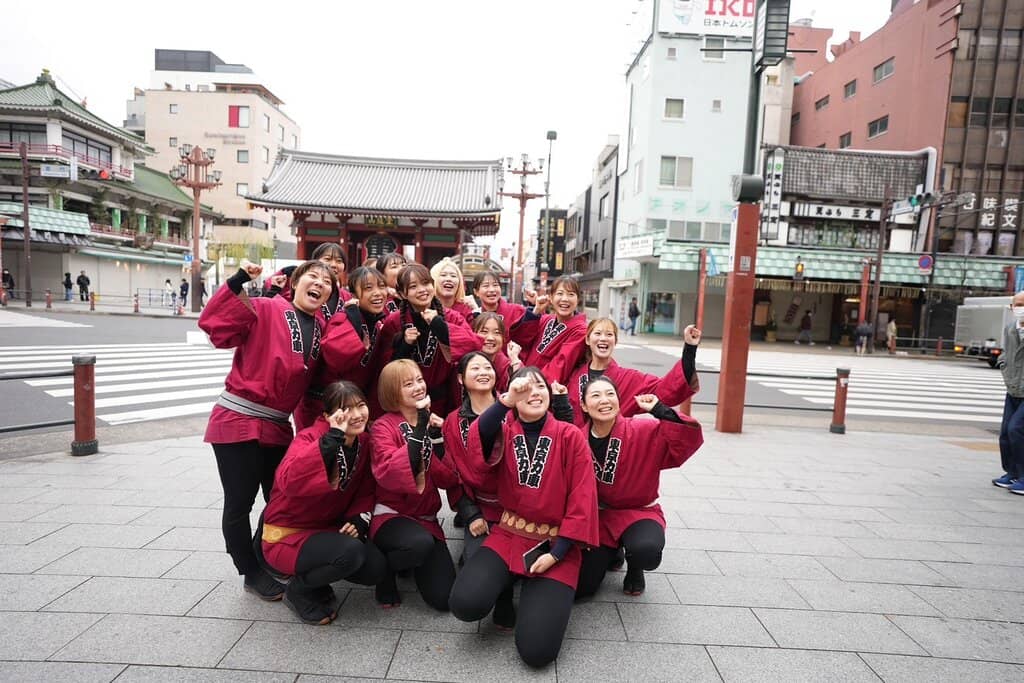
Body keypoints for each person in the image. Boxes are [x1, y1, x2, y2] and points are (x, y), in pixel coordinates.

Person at [198, 259, 335, 601]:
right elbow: (218, 327)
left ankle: (265, 554)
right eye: (313, 276)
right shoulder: (265, 307)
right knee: (239, 502)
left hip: (276, 425)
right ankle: (249, 570)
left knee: (280, 497)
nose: (320, 283)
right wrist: (238, 280)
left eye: (327, 281)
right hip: (238, 418)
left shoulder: (322, 327)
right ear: (295, 283)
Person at [450, 367, 598, 668]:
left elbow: (583, 498)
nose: (534, 393)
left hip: (556, 542)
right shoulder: (504, 432)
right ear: (513, 398)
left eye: (540, 386)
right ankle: (507, 586)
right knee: (464, 604)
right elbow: (480, 434)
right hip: (509, 533)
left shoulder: (570, 435)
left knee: (537, 652)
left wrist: (557, 554)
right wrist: (504, 402)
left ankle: (534, 591)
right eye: (524, 389)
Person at [259, 381, 387, 624]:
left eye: (360, 405)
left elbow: (366, 490)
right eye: (345, 410)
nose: (356, 415)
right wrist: (332, 439)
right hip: (287, 535)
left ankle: (316, 579)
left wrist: (358, 519)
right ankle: (299, 589)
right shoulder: (309, 438)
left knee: (375, 568)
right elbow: (289, 481)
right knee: (351, 553)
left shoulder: (364, 442)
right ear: (328, 416)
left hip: (327, 529)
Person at [574, 377, 703, 598]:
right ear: (584, 406)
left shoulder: (643, 429)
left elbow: (685, 438)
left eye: (610, 394)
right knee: (582, 588)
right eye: (596, 395)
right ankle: (614, 551)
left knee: (646, 552)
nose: (604, 400)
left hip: (639, 512)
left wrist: (660, 411)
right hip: (600, 518)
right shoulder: (578, 438)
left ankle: (635, 566)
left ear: (618, 400)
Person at [369, 359, 459, 609]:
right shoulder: (382, 427)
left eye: (419, 380)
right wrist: (419, 432)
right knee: (418, 544)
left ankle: (410, 561)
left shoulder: (433, 421)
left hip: (426, 519)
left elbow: (448, 478)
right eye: (408, 384)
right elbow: (389, 472)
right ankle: (385, 571)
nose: (418, 387)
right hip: (392, 515)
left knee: (444, 599)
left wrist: (437, 438)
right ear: (392, 391)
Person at [377, 263, 481, 417]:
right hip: (405, 404)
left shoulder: (451, 316)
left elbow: (473, 345)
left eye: (426, 283)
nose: (422, 290)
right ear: (402, 293)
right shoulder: (393, 322)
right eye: (413, 286)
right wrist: (405, 345)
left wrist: (439, 325)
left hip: (446, 400)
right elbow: (384, 368)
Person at [565, 318, 700, 428]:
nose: (603, 338)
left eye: (609, 334)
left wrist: (689, 348)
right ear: (588, 340)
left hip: (612, 446)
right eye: (598, 333)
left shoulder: (629, 378)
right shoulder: (574, 374)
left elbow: (667, 388)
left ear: (615, 341)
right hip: (576, 446)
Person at [515, 275, 588, 385]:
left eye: (571, 294)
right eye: (560, 293)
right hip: (525, 379)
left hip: (544, 386)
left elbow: (560, 365)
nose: (565, 299)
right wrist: (536, 311)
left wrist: (532, 382)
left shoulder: (581, 330)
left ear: (578, 300)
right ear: (551, 298)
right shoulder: (546, 319)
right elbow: (522, 341)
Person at [994, 291, 1024, 495]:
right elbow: (1005, 353)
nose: (1021, 309)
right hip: (1013, 388)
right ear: (1012, 307)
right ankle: (1012, 472)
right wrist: (1003, 365)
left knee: (1016, 429)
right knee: (1005, 433)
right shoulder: (1010, 328)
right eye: (1018, 305)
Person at [431, 257, 479, 321]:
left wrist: (476, 310)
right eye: (443, 275)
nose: (449, 279)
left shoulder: (466, 310)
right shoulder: (426, 307)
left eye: (453, 276)